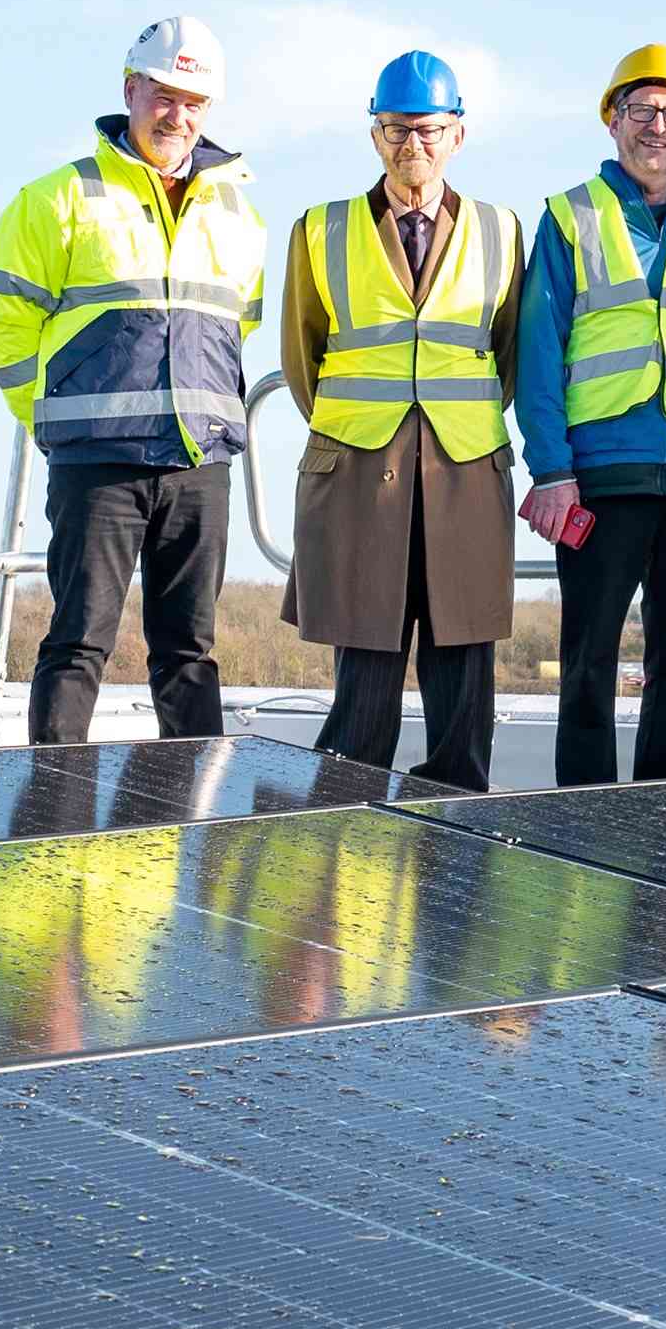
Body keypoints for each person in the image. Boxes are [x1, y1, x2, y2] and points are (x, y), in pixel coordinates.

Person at [0, 17, 270, 746]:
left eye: (194, 101)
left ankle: (189, 827)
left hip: (199, 463)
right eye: (164, 95)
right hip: (96, 461)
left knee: (190, 653)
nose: (178, 114)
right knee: (78, 641)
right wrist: (52, 419)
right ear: (131, 90)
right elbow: (3, 324)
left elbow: (241, 325)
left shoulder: (239, 213)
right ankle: (54, 823)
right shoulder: (57, 198)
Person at [515, 43, 666, 784]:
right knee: (589, 658)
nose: (658, 127)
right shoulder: (570, 215)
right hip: (600, 476)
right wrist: (551, 469)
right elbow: (539, 349)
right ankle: (583, 817)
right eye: (641, 111)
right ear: (612, 121)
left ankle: (664, 810)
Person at [276, 51, 523, 791]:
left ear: (458, 135)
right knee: (365, 687)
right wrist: (367, 427)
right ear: (373, 134)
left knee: (463, 683)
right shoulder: (320, 229)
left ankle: (456, 835)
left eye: (426, 130)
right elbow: (302, 356)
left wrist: (452, 428)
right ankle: (341, 827)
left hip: (465, 476)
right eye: (395, 130)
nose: (411, 145)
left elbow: (507, 353)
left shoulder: (503, 230)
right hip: (360, 475)